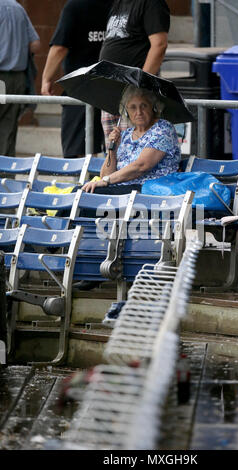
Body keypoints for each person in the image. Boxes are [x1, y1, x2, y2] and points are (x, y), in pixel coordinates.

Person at [72, 85, 180, 290]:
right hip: (124, 190)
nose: (138, 112)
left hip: (149, 191)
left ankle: (90, 267)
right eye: (133, 107)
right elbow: (106, 173)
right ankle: (88, 263)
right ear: (126, 111)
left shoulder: (163, 128)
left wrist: (105, 182)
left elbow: (141, 167)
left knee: (85, 196)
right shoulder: (127, 133)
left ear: (154, 107)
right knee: (79, 195)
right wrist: (112, 147)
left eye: (143, 106)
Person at [41, 0, 111, 157]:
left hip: (79, 86)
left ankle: (83, 181)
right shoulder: (115, 5)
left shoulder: (75, 6)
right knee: (94, 149)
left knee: (77, 150)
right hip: (109, 86)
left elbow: (59, 47)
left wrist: (46, 78)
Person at [99, 0, 170, 149]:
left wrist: (140, 87)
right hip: (109, 92)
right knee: (113, 152)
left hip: (134, 93)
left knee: (133, 150)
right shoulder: (118, 3)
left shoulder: (151, 3)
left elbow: (159, 45)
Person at [0, 0, 40, 157]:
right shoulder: (18, 9)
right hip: (18, 79)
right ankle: (5, 176)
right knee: (8, 129)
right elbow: (35, 44)